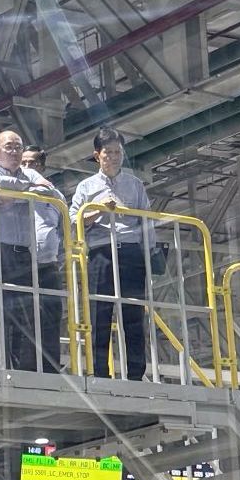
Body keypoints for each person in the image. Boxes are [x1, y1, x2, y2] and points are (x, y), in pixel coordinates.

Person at [69, 127, 154, 381]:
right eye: (108, 152)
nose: (114, 157)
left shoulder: (135, 185)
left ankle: (136, 374)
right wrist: (97, 211)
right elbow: (73, 223)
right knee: (100, 314)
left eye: (118, 152)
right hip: (100, 254)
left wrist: (148, 257)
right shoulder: (86, 187)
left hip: (130, 254)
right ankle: (100, 373)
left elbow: (147, 222)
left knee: (133, 316)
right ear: (97, 155)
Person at [0, 130, 61, 371]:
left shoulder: (30, 173)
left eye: (18, 148)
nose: (15, 152)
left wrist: (11, 194)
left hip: (23, 252)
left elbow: (49, 192)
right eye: (9, 147)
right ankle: (1, 368)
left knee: (24, 315)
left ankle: (22, 370)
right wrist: (26, 189)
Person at [21, 146, 65, 373]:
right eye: (24, 163)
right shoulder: (15, 192)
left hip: (48, 265)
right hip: (21, 264)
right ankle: (25, 369)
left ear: (42, 166)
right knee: (23, 318)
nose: (27, 167)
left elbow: (64, 231)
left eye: (33, 163)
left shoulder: (56, 196)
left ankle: (50, 369)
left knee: (50, 316)